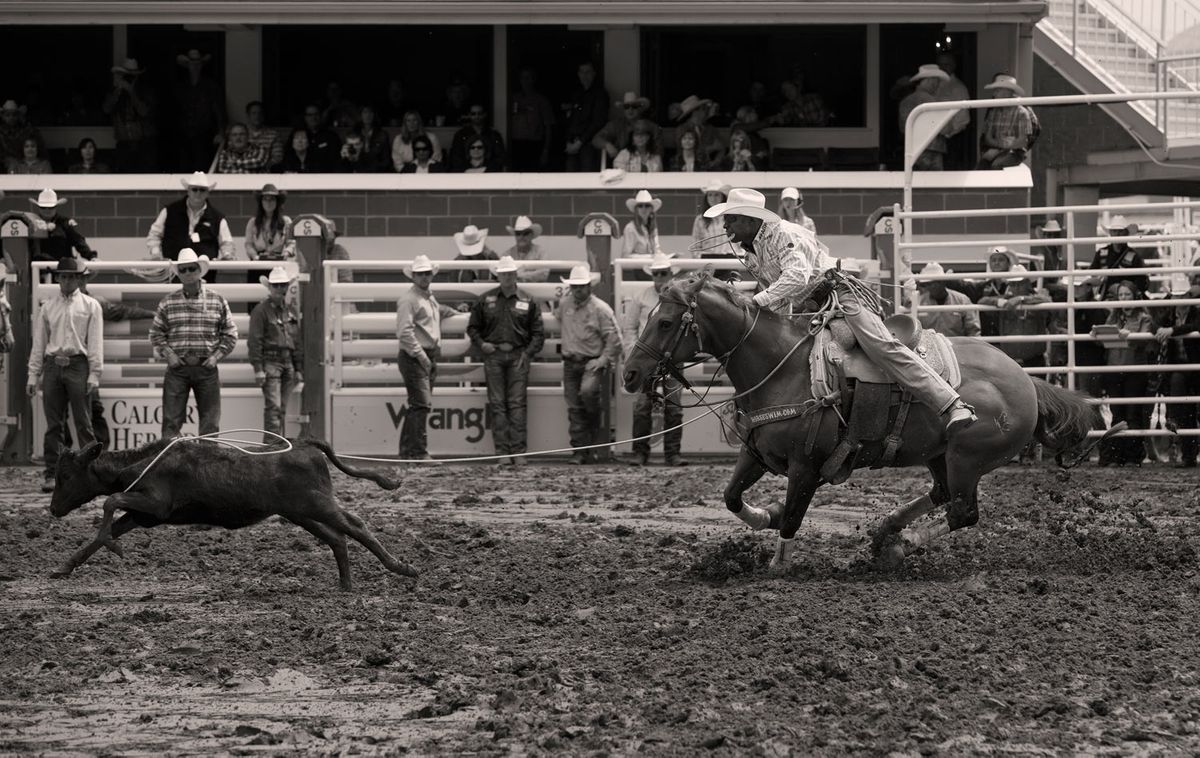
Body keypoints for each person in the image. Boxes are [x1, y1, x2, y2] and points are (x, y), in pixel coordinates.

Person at [704, 188, 976, 432]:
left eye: (731, 218)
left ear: (750, 220)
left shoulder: (785, 233)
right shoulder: (751, 250)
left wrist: (756, 303)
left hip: (839, 294)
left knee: (881, 346)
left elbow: (796, 277)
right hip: (809, 307)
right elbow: (778, 292)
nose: (725, 224)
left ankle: (951, 403)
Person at [27, 258, 104, 492]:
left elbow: (95, 343)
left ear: (80, 279)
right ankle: (54, 472)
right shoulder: (48, 307)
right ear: (58, 278)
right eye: (64, 276)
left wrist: (94, 373)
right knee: (54, 424)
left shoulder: (91, 306)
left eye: (72, 276)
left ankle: (93, 472)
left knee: (83, 421)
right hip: (53, 364)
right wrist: (33, 374)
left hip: (78, 364)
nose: (68, 280)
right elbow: (39, 343)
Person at [148, 249, 238, 439]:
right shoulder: (168, 302)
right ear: (178, 274)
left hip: (206, 367)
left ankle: (206, 465)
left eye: (191, 268)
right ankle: (170, 465)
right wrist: (169, 354)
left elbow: (230, 334)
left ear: (199, 271)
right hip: (178, 367)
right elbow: (156, 333)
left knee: (210, 423)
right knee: (171, 421)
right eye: (183, 270)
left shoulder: (217, 300)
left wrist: (215, 357)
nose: (187, 273)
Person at [467, 255, 546, 466]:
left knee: (516, 404)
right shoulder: (485, 300)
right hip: (494, 355)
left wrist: (527, 354)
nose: (508, 277)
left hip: (518, 354)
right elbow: (473, 327)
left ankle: (517, 451)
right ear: (498, 276)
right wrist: (482, 345)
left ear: (515, 274)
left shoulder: (528, 300)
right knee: (499, 405)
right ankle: (503, 451)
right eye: (504, 274)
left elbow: (538, 333)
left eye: (510, 273)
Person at [622, 253, 686, 467]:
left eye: (663, 273)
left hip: (671, 359)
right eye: (657, 273)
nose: (660, 277)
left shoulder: (677, 298)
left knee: (674, 407)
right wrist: (633, 351)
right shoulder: (641, 297)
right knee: (642, 407)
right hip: (647, 360)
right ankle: (640, 453)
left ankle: (672, 454)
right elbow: (630, 327)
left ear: (669, 274)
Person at [396, 255, 461, 461]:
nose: (424, 277)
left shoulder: (424, 297)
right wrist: (422, 356)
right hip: (416, 355)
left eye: (426, 273)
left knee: (418, 404)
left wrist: (450, 311)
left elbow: (433, 313)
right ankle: (417, 452)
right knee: (421, 404)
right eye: (420, 274)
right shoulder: (410, 299)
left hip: (422, 355)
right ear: (414, 276)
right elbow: (404, 332)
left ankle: (409, 451)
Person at [557, 263, 622, 464]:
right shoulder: (564, 304)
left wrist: (602, 360)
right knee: (575, 406)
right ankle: (581, 450)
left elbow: (614, 338)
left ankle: (586, 445)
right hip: (571, 362)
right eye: (575, 286)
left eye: (581, 286)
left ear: (589, 286)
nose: (578, 290)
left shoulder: (600, 309)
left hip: (590, 363)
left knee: (585, 397)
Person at [1095, 281, 1154, 466]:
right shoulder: (1113, 317)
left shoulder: (1144, 317)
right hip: (1114, 368)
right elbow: (1102, 339)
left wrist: (1128, 336)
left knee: (1132, 413)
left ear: (1135, 296)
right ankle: (1117, 455)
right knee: (1116, 412)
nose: (1124, 299)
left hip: (1134, 369)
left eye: (1127, 295)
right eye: (1121, 295)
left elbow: (1144, 340)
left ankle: (1133, 456)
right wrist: (1097, 334)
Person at [146, 171, 235, 282]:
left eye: (202, 190)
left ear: (208, 193)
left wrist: (227, 255)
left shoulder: (217, 217)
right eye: (194, 189)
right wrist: (156, 255)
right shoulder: (169, 211)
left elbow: (226, 243)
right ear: (188, 190)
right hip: (174, 272)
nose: (198, 193)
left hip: (205, 275)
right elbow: (154, 235)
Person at [249, 266, 303, 443]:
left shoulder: (290, 310)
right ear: (270, 288)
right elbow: (254, 341)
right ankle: (271, 448)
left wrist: (298, 367)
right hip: (271, 362)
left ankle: (275, 445)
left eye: (283, 285)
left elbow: (297, 340)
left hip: (287, 362)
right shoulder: (260, 311)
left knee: (281, 408)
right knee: (274, 408)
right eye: (276, 285)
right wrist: (258, 368)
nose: (280, 289)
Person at [1154, 265, 1200, 467]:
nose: (1178, 301)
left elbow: (1195, 326)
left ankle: (1188, 454)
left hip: (1194, 366)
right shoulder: (1170, 313)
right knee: (1183, 411)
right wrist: (1167, 328)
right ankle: (1188, 455)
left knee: (1188, 410)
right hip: (1181, 368)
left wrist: (1171, 330)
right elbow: (1154, 324)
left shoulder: (1195, 311)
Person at [990, 264, 1055, 369]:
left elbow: (1048, 301)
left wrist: (1021, 298)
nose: (1016, 287)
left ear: (1028, 284)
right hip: (1010, 360)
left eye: (1020, 284)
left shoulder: (1037, 301)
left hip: (1034, 360)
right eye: (1013, 284)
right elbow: (983, 301)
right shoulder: (1006, 300)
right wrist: (1000, 302)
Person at [173, 49, 225, 171]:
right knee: (184, 166)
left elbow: (219, 110)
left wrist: (221, 131)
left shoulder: (211, 85)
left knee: (201, 166)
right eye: (192, 64)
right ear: (187, 66)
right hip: (183, 133)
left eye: (198, 64)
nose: (195, 67)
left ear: (202, 65)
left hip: (204, 133)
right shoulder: (181, 86)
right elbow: (176, 111)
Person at [103, 59, 158, 172]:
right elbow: (106, 109)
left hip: (142, 144)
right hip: (123, 144)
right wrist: (118, 91)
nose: (129, 79)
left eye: (132, 76)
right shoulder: (115, 92)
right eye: (127, 76)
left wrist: (131, 92)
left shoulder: (144, 92)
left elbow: (144, 112)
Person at [977, 74, 1039, 170]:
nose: (994, 94)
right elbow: (987, 138)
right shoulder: (993, 112)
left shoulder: (1022, 112)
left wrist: (998, 148)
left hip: (1014, 153)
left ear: (1007, 93)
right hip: (997, 151)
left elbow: (1022, 142)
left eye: (997, 91)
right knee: (982, 166)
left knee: (996, 165)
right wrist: (1001, 146)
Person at [244, 183, 297, 296]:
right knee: (256, 297)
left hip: (278, 264)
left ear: (277, 202)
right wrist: (254, 256)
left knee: (278, 297)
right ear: (261, 202)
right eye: (265, 199)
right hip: (258, 263)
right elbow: (248, 244)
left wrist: (286, 253)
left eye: (272, 199)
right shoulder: (253, 222)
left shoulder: (286, 221)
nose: (269, 203)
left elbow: (291, 243)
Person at [899, 64, 950, 171]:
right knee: (933, 183)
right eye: (936, 81)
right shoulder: (929, 99)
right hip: (931, 149)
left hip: (912, 148)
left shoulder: (905, 101)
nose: (937, 85)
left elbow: (903, 128)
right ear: (929, 81)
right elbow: (944, 127)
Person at [914, 261, 982, 338]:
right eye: (928, 284)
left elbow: (973, 331)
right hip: (929, 347)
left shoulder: (962, 300)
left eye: (936, 282)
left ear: (943, 282)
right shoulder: (918, 302)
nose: (932, 286)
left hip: (957, 347)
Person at [563, 61, 609, 172]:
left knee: (588, 178)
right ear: (578, 74)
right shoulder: (577, 94)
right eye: (582, 72)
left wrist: (580, 143)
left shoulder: (600, 94)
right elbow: (571, 120)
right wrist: (569, 141)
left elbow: (598, 122)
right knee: (570, 179)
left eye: (588, 72)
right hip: (573, 143)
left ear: (594, 73)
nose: (585, 75)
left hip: (590, 144)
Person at [28, 189, 96, 264]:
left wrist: (91, 257)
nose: (47, 210)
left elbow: (79, 241)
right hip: (37, 270)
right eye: (43, 207)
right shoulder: (30, 222)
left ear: (56, 207)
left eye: (51, 207)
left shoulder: (65, 223)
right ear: (38, 207)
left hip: (62, 269)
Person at [1087, 215, 1149, 296]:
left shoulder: (1134, 256)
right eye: (1114, 231)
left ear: (1126, 233)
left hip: (1127, 297)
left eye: (1120, 231)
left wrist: (1126, 289)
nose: (1117, 234)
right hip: (1105, 295)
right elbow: (1092, 274)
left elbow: (1142, 282)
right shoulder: (1101, 253)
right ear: (1111, 233)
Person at [509, 68, 556, 171]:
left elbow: (548, 127)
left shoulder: (542, 101)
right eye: (522, 78)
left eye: (528, 78)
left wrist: (546, 150)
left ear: (533, 80)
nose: (525, 80)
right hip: (515, 144)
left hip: (534, 146)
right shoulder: (512, 98)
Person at [934, 50, 972, 170]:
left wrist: (947, 135)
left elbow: (963, 118)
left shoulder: (959, 88)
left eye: (946, 64)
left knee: (949, 172)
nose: (943, 68)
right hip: (931, 139)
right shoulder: (932, 84)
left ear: (953, 65)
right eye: (940, 64)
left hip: (950, 139)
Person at [594, 91, 652, 167]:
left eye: (634, 106)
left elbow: (658, 151)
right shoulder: (616, 124)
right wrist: (607, 145)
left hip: (645, 165)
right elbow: (596, 139)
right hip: (622, 166)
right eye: (626, 107)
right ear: (623, 110)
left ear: (639, 108)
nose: (630, 110)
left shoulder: (649, 125)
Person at [449, 104, 507, 172]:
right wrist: (467, 170)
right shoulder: (460, 134)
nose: (477, 116)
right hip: (465, 173)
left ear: (484, 114)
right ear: (469, 115)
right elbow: (456, 157)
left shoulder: (494, 135)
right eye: (473, 114)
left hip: (489, 173)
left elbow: (501, 157)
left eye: (480, 113)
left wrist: (487, 169)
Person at [674, 95, 723, 167]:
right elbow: (682, 150)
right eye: (703, 109)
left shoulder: (710, 128)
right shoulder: (681, 129)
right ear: (695, 111)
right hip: (687, 166)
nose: (706, 112)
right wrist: (708, 149)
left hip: (707, 168)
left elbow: (721, 148)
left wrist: (716, 161)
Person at [502, 216, 550, 282]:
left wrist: (518, 275)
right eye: (518, 234)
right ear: (515, 236)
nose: (521, 237)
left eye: (526, 233)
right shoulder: (507, 254)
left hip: (535, 290)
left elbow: (544, 274)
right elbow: (501, 274)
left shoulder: (540, 252)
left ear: (531, 235)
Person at [622, 190, 663, 258]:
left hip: (650, 267)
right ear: (636, 209)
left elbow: (656, 250)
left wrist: (663, 256)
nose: (644, 209)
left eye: (647, 206)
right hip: (636, 268)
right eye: (640, 206)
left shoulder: (653, 228)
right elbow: (625, 256)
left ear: (651, 209)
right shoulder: (630, 228)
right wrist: (648, 257)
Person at [300, 103, 341, 171]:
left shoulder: (331, 136)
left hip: (325, 177)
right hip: (303, 176)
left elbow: (337, 162)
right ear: (305, 117)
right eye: (310, 115)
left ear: (320, 116)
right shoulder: (298, 135)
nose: (313, 117)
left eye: (316, 114)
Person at [245, 100, 283, 169]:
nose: (257, 116)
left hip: (264, 172)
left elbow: (278, 157)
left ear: (263, 115)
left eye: (260, 113)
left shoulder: (273, 134)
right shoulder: (240, 133)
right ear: (248, 116)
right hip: (243, 170)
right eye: (254, 113)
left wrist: (262, 168)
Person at [692, 181, 729, 249]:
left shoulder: (732, 217)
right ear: (706, 198)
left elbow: (740, 245)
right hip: (708, 258)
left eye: (716, 195)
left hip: (729, 258)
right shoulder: (700, 220)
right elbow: (696, 246)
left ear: (723, 197)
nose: (713, 198)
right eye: (710, 195)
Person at [355, 105, 392, 173]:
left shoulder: (382, 134)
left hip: (376, 172)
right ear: (361, 115)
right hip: (358, 172)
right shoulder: (354, 133)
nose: (368, 115)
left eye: (370, 112)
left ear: (374, 115)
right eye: (365, 112)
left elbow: (386, 160)